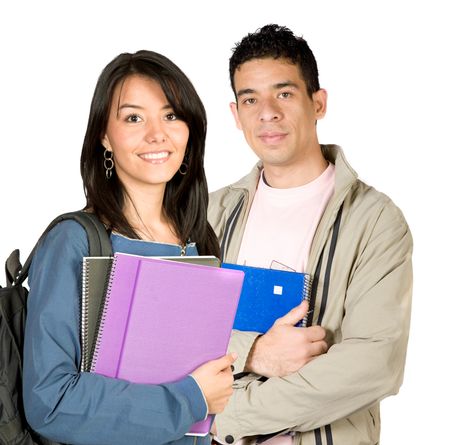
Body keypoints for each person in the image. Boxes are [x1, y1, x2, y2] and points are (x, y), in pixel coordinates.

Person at [208, 24, 413, 445]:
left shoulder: (374, 220)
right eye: (251, 99)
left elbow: (374, 362)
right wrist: (255, 352)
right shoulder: (209, 212)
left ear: (318, 103)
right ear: (235, 114)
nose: (267, 113)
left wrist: (230, 415)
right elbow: (172, 333)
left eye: (284, 94)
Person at [23, 50, 236, 445]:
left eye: (171, 115)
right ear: (104, 135)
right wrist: (189, 398)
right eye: (133, 117)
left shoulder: (199, 240)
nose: (157, 134)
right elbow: (50, 402)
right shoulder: (74, 242)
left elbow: (209, 385)